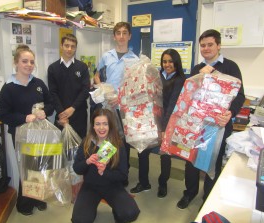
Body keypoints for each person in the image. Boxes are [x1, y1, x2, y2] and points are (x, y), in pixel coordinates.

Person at [177, 29, 245, 209]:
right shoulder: (196, 69)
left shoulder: (231, 67)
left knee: (213, 163)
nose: (206, 48)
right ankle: (189, 193)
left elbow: (239, 96)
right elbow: (188, 95)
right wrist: (200, 76)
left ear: (219, 45)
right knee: (191, 161)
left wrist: (230, 113)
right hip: (197, 126)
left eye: (210, 44)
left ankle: (208, 198)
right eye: (203, 45)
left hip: (219, 126)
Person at [0, 44, 54, 215]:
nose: (29, 65)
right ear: (16, 63)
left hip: (40, 133)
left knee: (41, 166)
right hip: (21, 135)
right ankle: (24, 204)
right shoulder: (9, 87)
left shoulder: (38, 83)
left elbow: (50, 103)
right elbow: (2, 114)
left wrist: (45, 111)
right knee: (27, 169)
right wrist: (23, 118)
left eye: (31, 62)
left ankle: (39, 198)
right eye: (24, 61)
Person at [130, 49, 186, 198]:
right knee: (143, 151)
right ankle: (143, 182)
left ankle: (163, 184)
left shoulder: (180, 79)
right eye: (164, 61)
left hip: (167, 122)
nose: (167, 64)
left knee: (165, 155)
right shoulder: (157, 76)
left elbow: (172, 104)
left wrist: (165, 128)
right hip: (150, 121)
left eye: (170, 61)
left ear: (176, 62)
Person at [71, 108, 140, 223]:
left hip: (112, 186)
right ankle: (90, 210)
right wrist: (87, 162)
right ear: (93, 126)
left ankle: (117, 214)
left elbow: (123, 175)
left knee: (130, 213)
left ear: (111, 125)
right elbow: (77, 169)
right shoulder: (86, 142)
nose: (101, 128)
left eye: (105, 124)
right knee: (80, 220)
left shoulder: (118, 144)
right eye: (97, 124)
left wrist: (104, 172)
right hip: (90, 186)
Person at [94, 22, 139, 183]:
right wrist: (101, 87)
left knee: (123, 141)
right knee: (106, 138)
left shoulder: (135, 60)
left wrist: (120, 98)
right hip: (107, 105)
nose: (121, 36)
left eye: (124, 33)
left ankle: (123, 172)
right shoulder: (107, 56)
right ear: (114, 36)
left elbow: (136, 85)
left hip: (125, 106)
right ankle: (105, 169)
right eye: (118, 33)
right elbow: (96, 74)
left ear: (129, 36)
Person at [48, 33, 90, 138]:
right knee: (60, 149)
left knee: (80, 146)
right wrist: (61, 113)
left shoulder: (82, 67)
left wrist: (72, 108)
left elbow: (85, 90)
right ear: (61, 46)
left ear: (75, 48)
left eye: (73, 46)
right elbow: (53, 92)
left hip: (78, 114)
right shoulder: (53, 68)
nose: (69, 49)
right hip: (61, 116)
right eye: (66, 45)